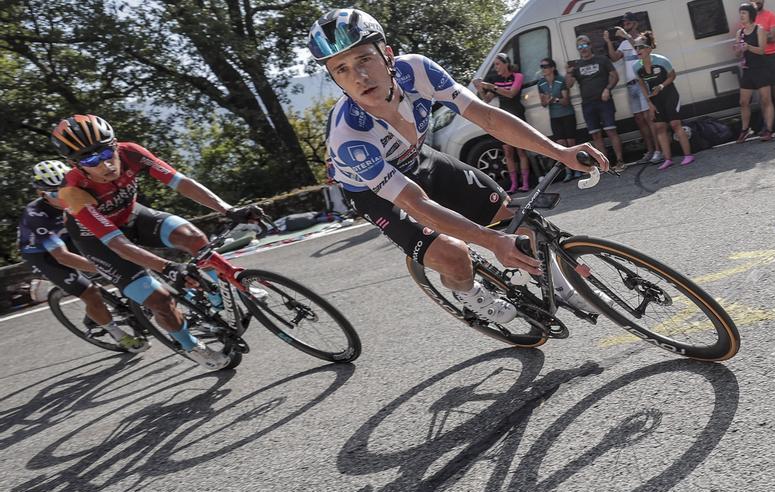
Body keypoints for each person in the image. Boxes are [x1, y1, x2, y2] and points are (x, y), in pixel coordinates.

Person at [308, 8, 608, 324]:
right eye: (341, 70)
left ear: (388, 55)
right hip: (377, 194)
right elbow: (415, 203)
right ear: (335, 79)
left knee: (514, 220)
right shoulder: (349, 135)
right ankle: (467, 293)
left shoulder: (418, 71)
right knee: (454, 256)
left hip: (417, 160)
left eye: (364, 59)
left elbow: (487, 117)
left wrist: (559, 151)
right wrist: (492, 241)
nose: (358, 77)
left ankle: (564, 286)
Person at [51, 114, 264, 370]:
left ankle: (229, 287)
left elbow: (181, 183)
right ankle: (191, 346)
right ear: (75, 164)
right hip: (101, 242)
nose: (105, 164)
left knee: (194, 238)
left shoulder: (131, 153)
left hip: (132, 215)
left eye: (108, 152)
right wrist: (168, 267)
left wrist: (228, 209)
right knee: (160, 300)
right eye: (91, 160)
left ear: (116, 144)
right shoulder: (72, 192)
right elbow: (119, 245)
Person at [18, 160, 149, 352]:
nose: (63, 197)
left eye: (65, 189)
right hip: (43, 255)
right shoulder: (36, 215)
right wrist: (107, 266)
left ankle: (130, 305)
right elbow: (62, 256)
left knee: (119, 256)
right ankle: (117, 334)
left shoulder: (79, 194)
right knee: (91, 293)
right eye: (55, 194)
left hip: (70, 237)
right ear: (42, 194)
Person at [605, 12, 662, 166]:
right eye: (624, 24)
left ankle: (658, 151)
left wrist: (624, 35)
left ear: (636, 23)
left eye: (628, 23)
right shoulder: (624, 43)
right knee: (639, 120)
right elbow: (614, 57)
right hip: (631, 85)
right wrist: (608, 42)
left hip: (642, 82)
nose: (625, 26)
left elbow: (637, 47)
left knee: (649, 118)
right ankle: (650, 151)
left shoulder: (641, 39)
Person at [633, 33, 695, 170]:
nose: (637, 50)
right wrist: (649, 103)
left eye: (641, 47)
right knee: (660, 127)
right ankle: (668, 159)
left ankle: (688, 155)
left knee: (674, 124)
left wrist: (661, 86)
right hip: (655, 99)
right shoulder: (636, 66)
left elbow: (672, 75)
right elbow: (642, 84)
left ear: (649, 48)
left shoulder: (662, 60)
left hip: (670, 95)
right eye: (635, 47)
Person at [565, 34, 626, 172]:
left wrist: (607, 89)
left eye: (585, 45)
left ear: (590, 45)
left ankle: (620, 161)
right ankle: (606, 165)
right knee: (596, 135)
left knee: (611, 131)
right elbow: (568, 85)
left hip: (604, 101)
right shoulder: (577, 65)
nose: (583, 48)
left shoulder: (602, 59)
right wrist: (568, 73)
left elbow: (615, 76)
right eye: (579, 46)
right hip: (587, 104)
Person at [473, 53, 532, 192]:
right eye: (494, 65)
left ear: (506, 63)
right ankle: (513, 185)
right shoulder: (497, 80)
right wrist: (481, 89)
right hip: (504, 117)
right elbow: (486, 99)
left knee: (521, 150)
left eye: (498, 64)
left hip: (517, 115)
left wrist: (492, 87)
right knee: (508, 152)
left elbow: (511, 93)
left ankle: (525, 183)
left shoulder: (517, 76)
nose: (496, 67)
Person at [735, 3, 775, 143]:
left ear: (751, 15)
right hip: (747, 70)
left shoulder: (760, 29)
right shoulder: (739, 33)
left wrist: (748, 47)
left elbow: (762, 50)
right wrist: (738, 50)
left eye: (744, 13)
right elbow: (738, 55)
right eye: (740, 13)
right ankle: (745, 130)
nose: (741, 16)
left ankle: (769, 130)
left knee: (765, 100)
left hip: (761, 69)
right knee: (743, 102)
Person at [537, 58, 581, 182]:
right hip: (554, 117)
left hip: (567, 114)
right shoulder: (541, 83)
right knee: (561, 146)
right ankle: (568, 171)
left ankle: (577, 169)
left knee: (571, 144)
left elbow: (566, 101)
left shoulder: (561, 80)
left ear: (552, 68)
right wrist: (548, 100)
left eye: (545, 66)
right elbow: (543, 103)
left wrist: (554, 99)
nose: (543, 69)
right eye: (542, 66)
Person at [753, 0, 775, 132]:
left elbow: (773, 37)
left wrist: (756, 36)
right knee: (763, 94)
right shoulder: (748, 20)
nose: (757, 1)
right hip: (756, 59)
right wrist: (763, 35)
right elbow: (747, 39)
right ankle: (767, 125)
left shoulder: (770, 15)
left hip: (771, 56)